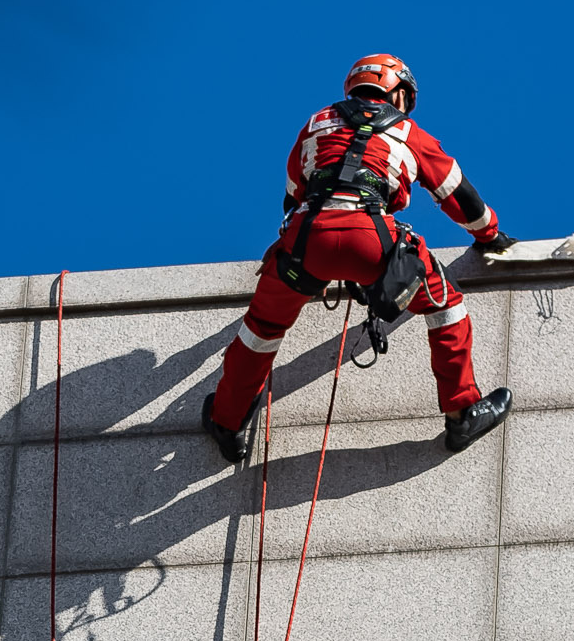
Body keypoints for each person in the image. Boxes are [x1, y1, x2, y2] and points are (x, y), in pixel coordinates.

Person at [201, 54, 515, 464]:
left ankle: (228, 422)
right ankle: (462, 411)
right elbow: (456, 193)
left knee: (261, 328)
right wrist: (489, 234)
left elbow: (293, 192)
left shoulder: (316, 123)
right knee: (447, 304)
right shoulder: (406, 131)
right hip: (372, 237)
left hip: (303, 239)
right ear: (396, 91)